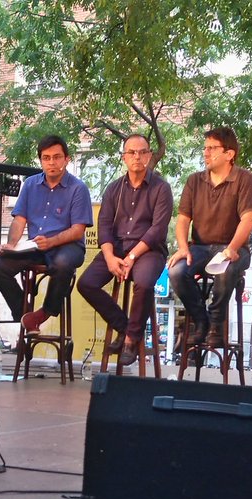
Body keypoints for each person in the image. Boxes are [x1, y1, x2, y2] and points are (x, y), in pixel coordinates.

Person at [77, 134, 172, 366]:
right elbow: (105, 226)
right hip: (117, 248)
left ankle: (131, 339)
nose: (137, 157)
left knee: (144, 282)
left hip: (148, 250)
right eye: (132, 152)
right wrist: (109, 257)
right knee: (86, 283)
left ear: (149, 156)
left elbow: (157, 230)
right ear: (124, 157)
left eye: (142, 152)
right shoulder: (113, 189)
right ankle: (124, 326)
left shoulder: (161, 188)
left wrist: (131, 256)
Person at [166, 127, 252, 348]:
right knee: (176, 271)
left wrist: (233, 248)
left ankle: (216, 323)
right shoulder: (195, 180)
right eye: (205, 148)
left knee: (226, 266)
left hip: (234, 248)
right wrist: (182, 247)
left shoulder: (243, 178)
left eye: (212, 148)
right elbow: (182, 219)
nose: (206, 153)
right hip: (200, 246)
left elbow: (248, 220)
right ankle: (201, 321)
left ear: (229, 153)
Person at [0, 135, 93, 334]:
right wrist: (11, 245)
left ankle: (44, 312)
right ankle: (24, 313)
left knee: (63, 264)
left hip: (67, 245)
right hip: (35, 245)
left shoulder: (78, 188)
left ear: (67, 159)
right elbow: (19, 219)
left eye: (57, 157)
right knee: (0, 266)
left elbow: (78, 230)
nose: (52, 162)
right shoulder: (30, 184)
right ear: (40, 160)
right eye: (46, 158)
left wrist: (52, 241)